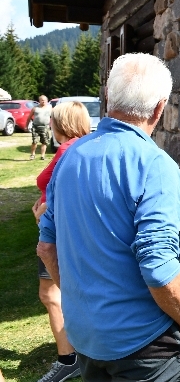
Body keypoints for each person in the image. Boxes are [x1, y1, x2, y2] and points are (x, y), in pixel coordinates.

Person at [37, 53, 180, 382]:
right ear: (159, 108)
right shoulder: (156, 165)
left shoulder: (70, 158)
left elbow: (47, 248)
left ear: (108, 97)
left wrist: (81, 304)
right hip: (145, 347)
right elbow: (157, 264)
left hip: (87, 337)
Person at [31, 101, 91, 382]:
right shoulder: (82, 147)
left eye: (53, 120)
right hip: (65, 230)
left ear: (60, 124)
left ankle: (69, 359)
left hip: (55, 233)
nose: (50, 125)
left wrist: (42, 212)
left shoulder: (67, 150)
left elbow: (57, 192)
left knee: (52, 294)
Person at [28, 95, 52, 160]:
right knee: (34, 141)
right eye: (42, 100)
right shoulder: (35, 108)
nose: (43, 101)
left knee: (44, 142)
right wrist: (26, 126)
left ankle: (42, 156)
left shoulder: (50, 108)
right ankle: (32, 154)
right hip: (35, 127)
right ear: (39, 101)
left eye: (44, 100)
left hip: (45, 127)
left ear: (47, 101)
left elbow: (53, 117)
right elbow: (29, 117)